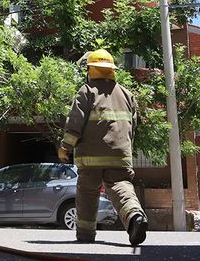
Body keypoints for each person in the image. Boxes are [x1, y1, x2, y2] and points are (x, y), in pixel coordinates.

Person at [58, 49, 148, 246]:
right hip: (120, 154)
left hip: (91, 157)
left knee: (87, 192)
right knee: (121, 186)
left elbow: (75, 122)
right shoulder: (127, 94)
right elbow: (133, 126)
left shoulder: (86, 91)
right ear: (112, 70)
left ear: (91, 70)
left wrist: (65, 147)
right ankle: (135, 217)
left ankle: (85, 234)